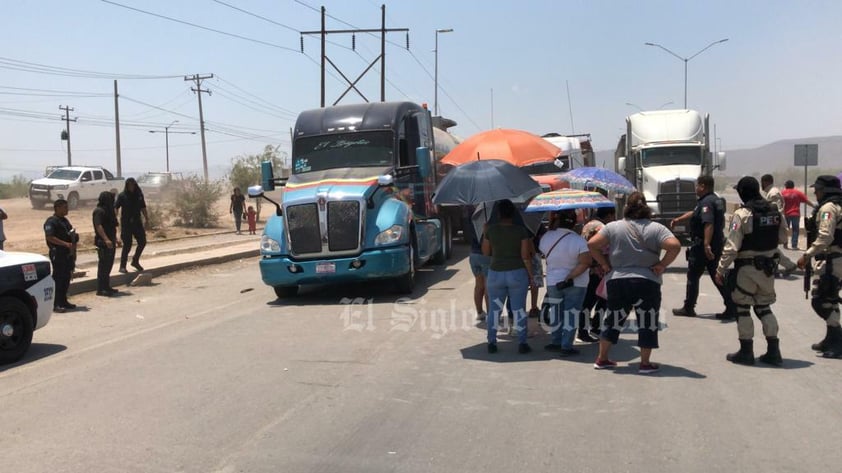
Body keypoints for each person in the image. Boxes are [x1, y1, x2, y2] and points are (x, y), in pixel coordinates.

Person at [587, 191, 681, 373]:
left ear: (626, 208)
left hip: (618, 281)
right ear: (646, 207)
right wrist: (662, 265)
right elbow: (675, 246)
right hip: (647, 281)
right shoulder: (657, 228)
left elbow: (592, 244)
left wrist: (605, 264)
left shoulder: (613, 227)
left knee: (613, 320)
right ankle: (645, 364)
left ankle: (602, 359)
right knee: (647, 322)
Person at [715, 176, 787, 366]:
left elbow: (731, 247)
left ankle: (746, 352)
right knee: (764, 307)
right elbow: (783, 237)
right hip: (768, 268)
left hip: (746, 269)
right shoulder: (775, 211)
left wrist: (720, 269)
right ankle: (774, 351)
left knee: (743, 308)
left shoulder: (743, 214)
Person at [670, 175, 735, 319]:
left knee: (693, 275)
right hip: (716, 243)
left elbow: (708, 223)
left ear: (703, 186)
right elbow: (696, 212)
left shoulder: (706, 203)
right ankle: (731, 306)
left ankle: (689, 307)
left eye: (697, 186)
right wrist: (680, 219)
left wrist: (706, 245)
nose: (695, 188)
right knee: (716, 275)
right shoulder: (714, 200)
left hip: (703, 246)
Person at [796, 175, 842, 359]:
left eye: (819, 189)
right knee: (830, 299)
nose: (815, 192)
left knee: (820, 300)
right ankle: (830, 338)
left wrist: (807, 255)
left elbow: (825, 237)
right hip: (836, 258)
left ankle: (838, 340)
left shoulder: (828, 208)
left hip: (832, 260)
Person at [482, 199, 534, 354]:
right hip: (517, 272)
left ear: (498, 214)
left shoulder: (491, 230)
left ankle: (492, 342)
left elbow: (486, 252)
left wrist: (486, 232)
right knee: (519, 310)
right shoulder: (521, 231)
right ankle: (522, 343)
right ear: (513, 213)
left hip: (496, 273)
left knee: (494, 310)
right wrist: (530, 275)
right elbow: (525, 256)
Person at [540, 209, 592, 357]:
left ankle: (555, 341)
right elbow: (586, 262)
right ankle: (566, 345)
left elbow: (542, 251)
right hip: (576, 283)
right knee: (571, 314)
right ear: (574, 222)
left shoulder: (546, 237)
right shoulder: (579, 240)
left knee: (556, 312)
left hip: (553, 281)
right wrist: (570, 276)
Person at [580, 206, 616, 341]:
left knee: (589, 301)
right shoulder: (601, 228)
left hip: (588, 267)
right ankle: (592, 328)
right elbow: (605, 249)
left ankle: (587, 329)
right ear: (609, 214)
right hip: (599, 270)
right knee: (601, 300)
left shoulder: (589, 224)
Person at [44, 199, 77, 312]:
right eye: (64, 207)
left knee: (66, 277)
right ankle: (56, 303)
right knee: (58, 278)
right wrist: (65, 244)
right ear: (57, 208)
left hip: (67, 254)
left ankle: (63, 300)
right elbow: (50, 237)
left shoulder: (65, 221)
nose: (67, 209)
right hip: (58, 253)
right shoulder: (51, 221)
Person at [761, 173, 798, 276]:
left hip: (774, 225)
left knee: (770, 248)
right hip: (774, 224)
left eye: (762, 183)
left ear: (766, 182)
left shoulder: (773, 193)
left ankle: (787, 265)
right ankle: (782, 266)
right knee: (772, 248)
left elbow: (775, 210)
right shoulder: (773, 192)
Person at [115, 177, 148, 273]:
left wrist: (147, 218)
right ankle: (122, 266)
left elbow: (143, 207)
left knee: (142, 242)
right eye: (129, 185)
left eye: (132, 185)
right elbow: (116, 207)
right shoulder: (122, 196)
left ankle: (135, 260)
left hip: (137, 222)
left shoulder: (139, 195)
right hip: (126, 223)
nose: (131, 187)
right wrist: (115, 218)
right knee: (127, 245)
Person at [92, 191, 121, 297]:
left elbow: (114, 226)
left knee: (109, 264)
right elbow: (98, 226)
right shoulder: (99, 211)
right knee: (103, 265)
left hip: (111, 241)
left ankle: (106, 286)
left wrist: (116, 238)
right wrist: (106, 239)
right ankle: (101, 288)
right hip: (103, 242)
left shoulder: (109, 211)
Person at [465, 206, 490, 321]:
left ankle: (479, 312)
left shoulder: (471, 217)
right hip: (485, 255)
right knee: (487, 285)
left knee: (478, 284)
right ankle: (491, 314)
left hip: (473, 254)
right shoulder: (486, 216)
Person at [781, 179, 815, 249]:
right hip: (795, 214)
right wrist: (814, 206)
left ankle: (785, 244)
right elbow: (806, 201)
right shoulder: (798, 193)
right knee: (795, 230)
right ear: (793, 186)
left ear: (786, 186)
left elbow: (778, 203)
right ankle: (794, 245)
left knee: (785, 230)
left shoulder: (782, 193)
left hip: (786, 214)